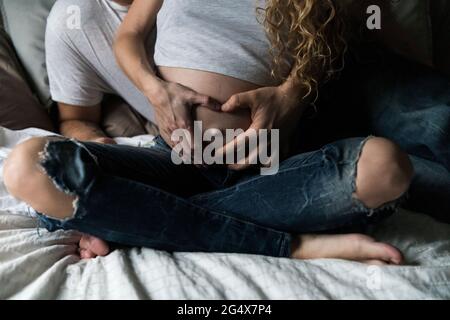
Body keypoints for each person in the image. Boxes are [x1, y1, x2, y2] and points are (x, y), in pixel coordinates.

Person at [6, 0, 438, 265]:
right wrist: (153, 88)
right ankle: (295, 245)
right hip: (176, 158)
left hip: (269, 164)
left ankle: (138, 217)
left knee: (386, 166)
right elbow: (128, 37)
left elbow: (338, 47)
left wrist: (290, 95)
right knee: (30, 166)